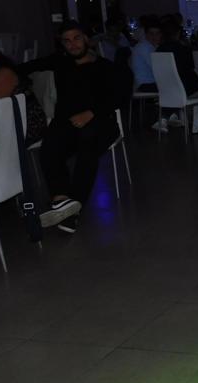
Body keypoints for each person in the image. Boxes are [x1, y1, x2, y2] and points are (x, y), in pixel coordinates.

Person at [18, 21, 122, 234]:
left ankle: (73, 210)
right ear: (62, 44)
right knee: (49, 148)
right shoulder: (61, 62)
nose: (72, 44)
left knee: (88, 145)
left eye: (76, 38)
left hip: (101, 121)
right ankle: (62, 201)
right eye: (67, 41)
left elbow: (118, 96)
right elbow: (25, 68)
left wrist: (91, 113)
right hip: (67, 123)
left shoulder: (104, 67)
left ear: (86, 39)